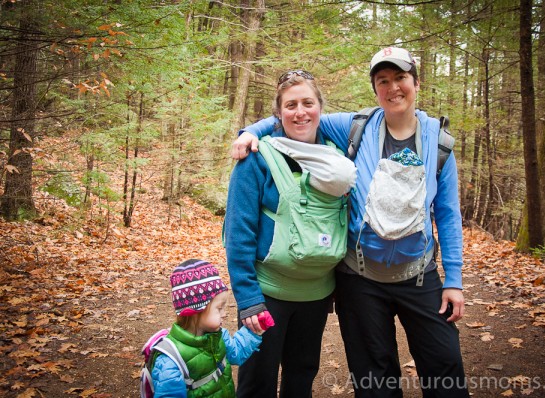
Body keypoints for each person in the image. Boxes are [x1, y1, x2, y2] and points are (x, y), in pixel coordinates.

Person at [232, 47, 469, 397]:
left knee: (445, 366)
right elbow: (292, 115)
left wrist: (455, 279)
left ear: (416, 82)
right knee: (374, 378)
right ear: (375, 90)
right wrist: (249, 132)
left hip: (418, 274)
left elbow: (448, 214)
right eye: (383, 81)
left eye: (401, 78)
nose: (393, 88)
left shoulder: (438, 142)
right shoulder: (356, 127)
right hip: (360, 281)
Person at [224, 70, 356, 397]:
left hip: (316, 296)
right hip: (267, 297)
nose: (300, 112)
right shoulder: (257, 158)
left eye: (308, 103)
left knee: (301, 379)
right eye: (291, 105)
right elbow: (238, 234)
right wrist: (249, 301)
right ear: (279, 114)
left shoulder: (337, 159)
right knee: (257, 384)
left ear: (320, 109)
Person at [150, 259, 263, 397]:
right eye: (219, 308)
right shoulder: (170, 363)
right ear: (195, 311)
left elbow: (236, 353)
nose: (224, 314)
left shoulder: (218, 335)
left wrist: (252, 332)